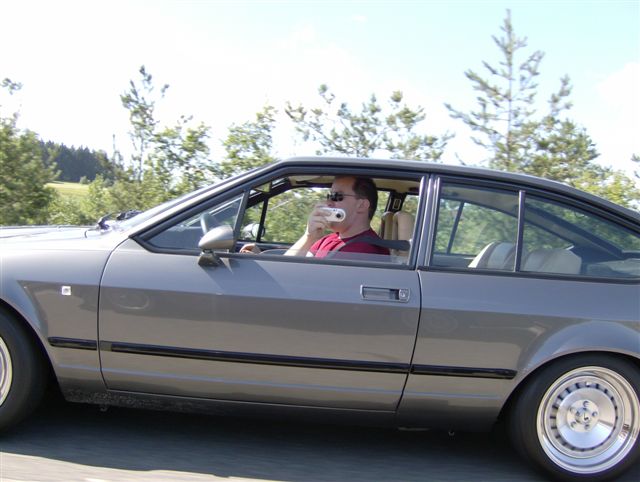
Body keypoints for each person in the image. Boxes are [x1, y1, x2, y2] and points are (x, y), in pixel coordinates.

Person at [284, 176, 390, 258]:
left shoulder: (367, 252)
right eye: (329, 196)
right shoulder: (328, 239)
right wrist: (308, 237)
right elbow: (287, 268)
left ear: (361, 205)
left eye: (337, 196)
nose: (328, 202)